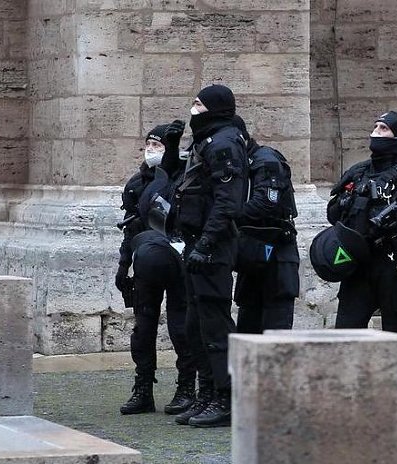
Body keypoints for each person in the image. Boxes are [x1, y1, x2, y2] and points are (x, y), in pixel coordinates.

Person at [170, 84, 249, 428]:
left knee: (216, 325)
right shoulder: (206, 142)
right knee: (196, 323)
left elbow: (227, 203)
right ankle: (207, 393)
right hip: (195, 242)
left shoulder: (224, 143)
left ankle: (226, 396)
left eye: (199, 104)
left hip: (212, 245)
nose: (193, 110)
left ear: (216, 108)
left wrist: (205, 244)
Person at [115, 121, 197, 416]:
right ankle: (143, 387)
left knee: (181, 327)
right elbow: (130, 229)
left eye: (158, 146)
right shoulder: (137, 184)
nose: (151, 151)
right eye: (148, 145)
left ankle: (187, 385)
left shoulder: (185, 179)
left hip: (178, 262)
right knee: (143, 327)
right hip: (146, 262)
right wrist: (124, 266)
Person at [326, 111, 397, 334]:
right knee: (347, 331)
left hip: (393, 261)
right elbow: (333, 213)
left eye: (384, 129)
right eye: (375, 128)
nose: (376, 133)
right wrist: (349, 202)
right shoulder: (359, 171)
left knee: (396, 333)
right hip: (358, 262)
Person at [232, 116, 300, 333]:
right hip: (253, 255)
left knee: (275, 334)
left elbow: (266, 204)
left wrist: (227, 216)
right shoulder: (242, 162)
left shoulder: (265, 160)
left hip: (276, 256)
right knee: (247, 330)